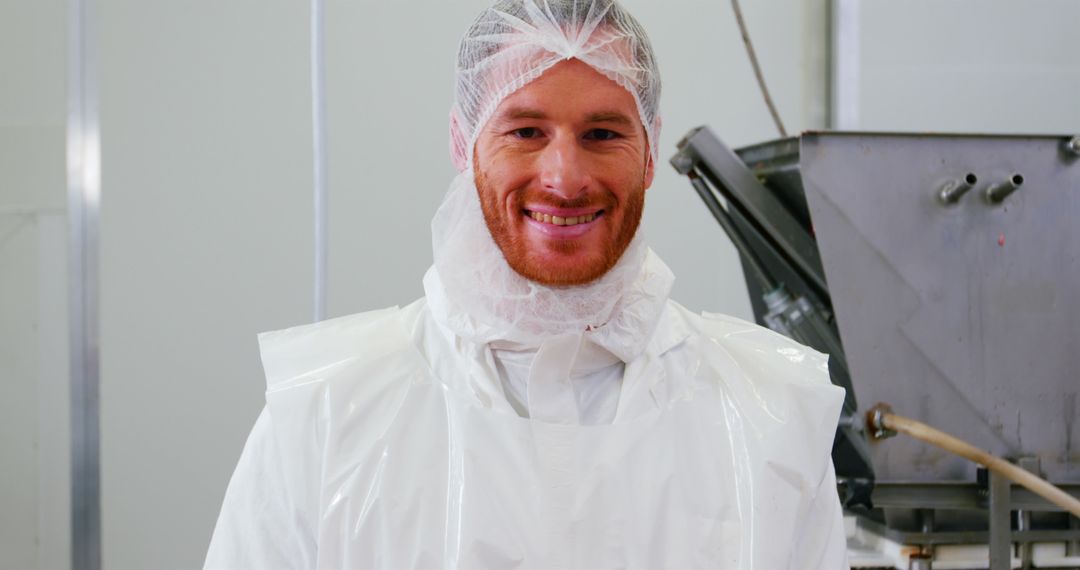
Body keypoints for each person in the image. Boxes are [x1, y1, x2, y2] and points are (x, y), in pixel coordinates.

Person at [205, 0, 849, 568]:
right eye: (524, 131)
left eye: (602, 133)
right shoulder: (326, 415)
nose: (564, 177)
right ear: (464, 143)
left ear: (650, 153)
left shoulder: (769, 414)